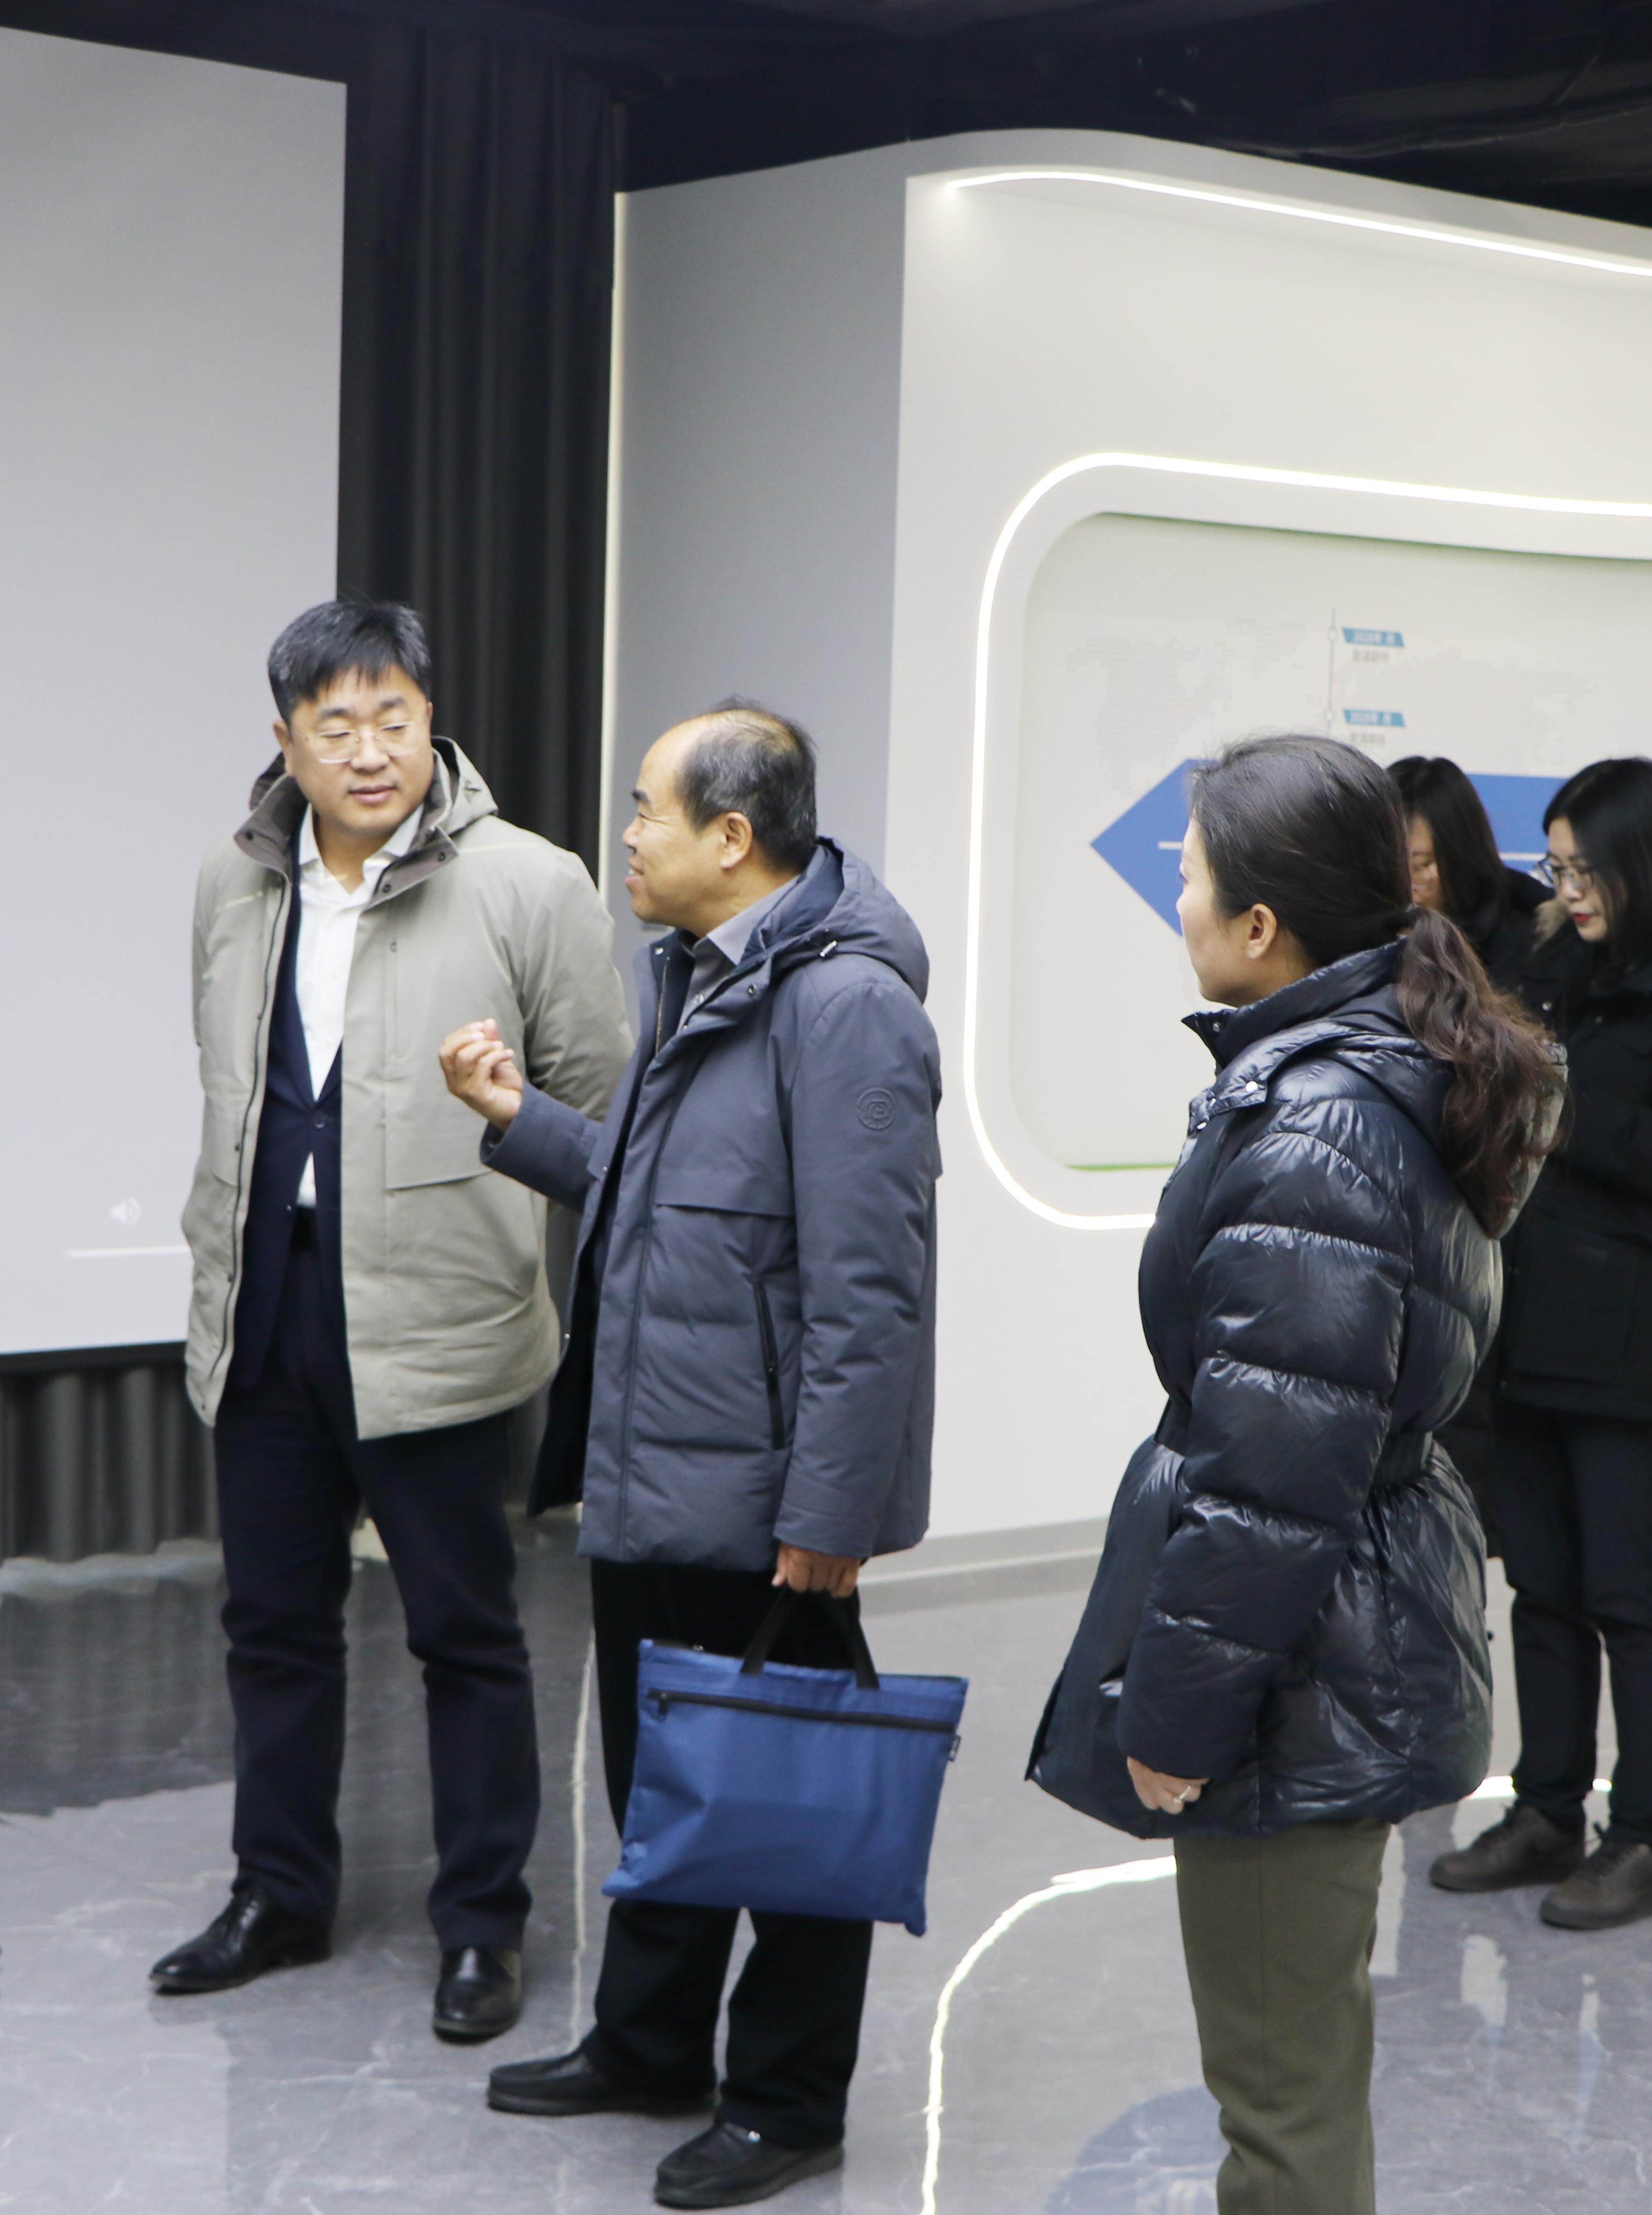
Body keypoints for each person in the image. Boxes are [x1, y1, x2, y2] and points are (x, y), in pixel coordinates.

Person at [1030, 733, 1560, 2215]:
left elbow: (1275, 1481)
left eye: (1189, 878)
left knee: (1282, 2111)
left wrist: (1181, 1719)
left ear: (1263, 927)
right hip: (1346, 1633)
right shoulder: (1362, 1072)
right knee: (1294, 2075)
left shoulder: (1315, 1125)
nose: (1178, 900)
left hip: (1301, 1673)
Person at [439, 703, 938, 2213]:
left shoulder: (845, 1007)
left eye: (646, 810)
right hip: (658, 1470)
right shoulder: (703, 973)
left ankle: (787, 2102)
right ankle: (650, 2043)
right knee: (665, 1783)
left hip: (764, 1496)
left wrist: (832, 1512)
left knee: (783, 1802)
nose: (628, 838)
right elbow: (660, 1197)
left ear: (735, 835)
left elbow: (873, 1289)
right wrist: (523, 1121)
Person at [151, 600, 628, 2042]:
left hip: (439, 1305)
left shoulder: (530, 885)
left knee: (467, 1633)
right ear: (286, 740)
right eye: (337, 726)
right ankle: (277, 1896)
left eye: (397, 721)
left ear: (435, 721)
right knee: (272, 1629)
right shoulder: (232, 887)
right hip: (267, 1304)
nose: (372, 753)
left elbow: (597, 1105)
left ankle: (483, 1927)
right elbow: (229, 1088)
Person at [1428, 757, 1652, 1931]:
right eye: (1559, 864)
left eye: (1586, 868)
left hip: (1640, 1349)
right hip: (1532, 1327)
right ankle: (1545, 1810)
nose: (1568, 887)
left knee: (1631, 1598)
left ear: (1642, 862)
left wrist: (1558, 1105)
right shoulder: (1551, 964)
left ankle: (1644, 1838)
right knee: (1542, 1587)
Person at [1387, 754, 1553, 1544]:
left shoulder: (1536, 949)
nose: (1409, 883)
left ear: (1459, 854)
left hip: (1496, 1250)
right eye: (1394, 864)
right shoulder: (1371, 943)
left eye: (1421, 864)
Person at [1390, 755, 1550, 984]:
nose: (1433, 875)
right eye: (1419, 865)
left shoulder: (1517, 939)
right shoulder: (1353, 937)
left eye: (1443, 861)